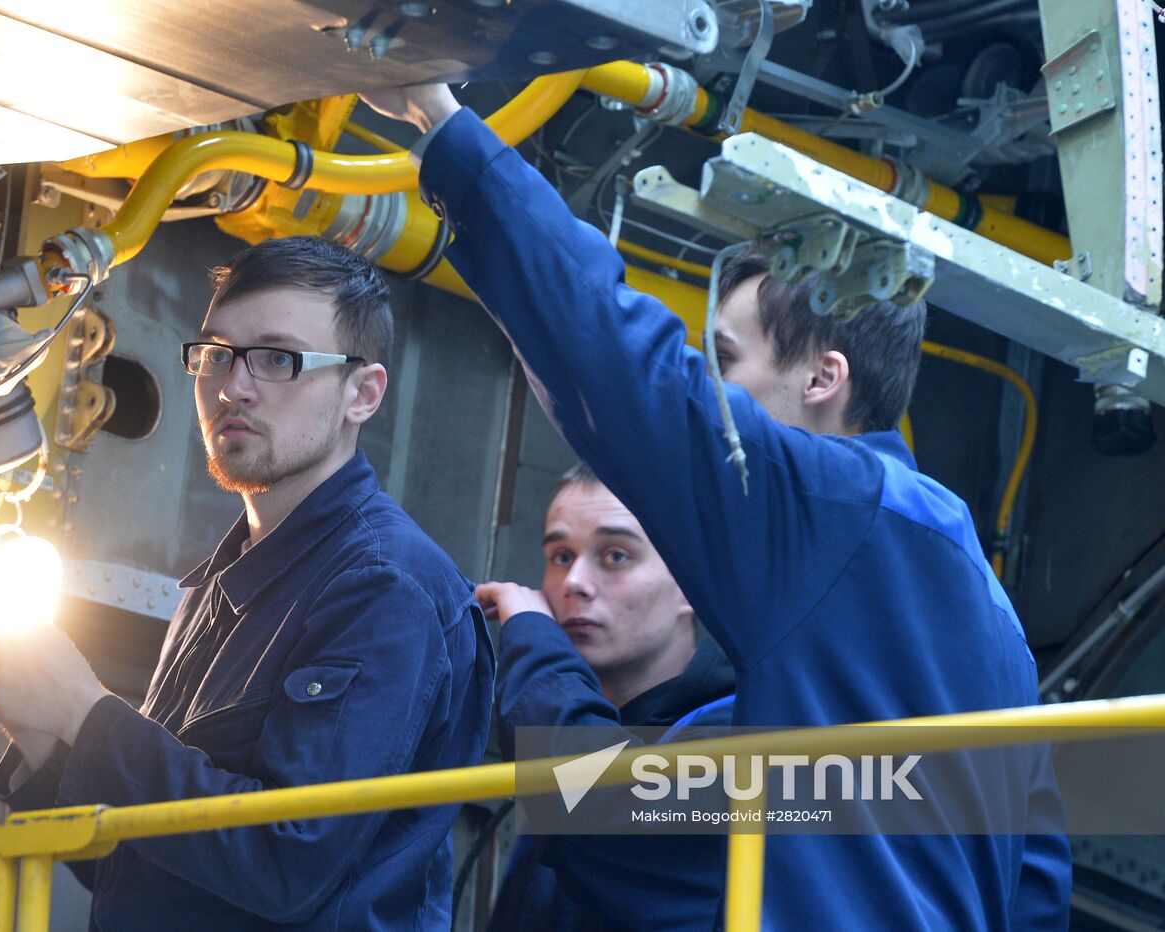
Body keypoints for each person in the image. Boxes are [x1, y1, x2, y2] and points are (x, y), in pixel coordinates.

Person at [362, 86, 1070, 929]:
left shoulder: (826, 509)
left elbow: (615, 360)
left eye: (726, 359)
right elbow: (1036, 882)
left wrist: (441, 126)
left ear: (822, 380)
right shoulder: (990, 611)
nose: (714, 392)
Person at [0, 236, 495, 930]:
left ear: (363, 393)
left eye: (277, 359)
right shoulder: (217, 587)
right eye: (216, 354)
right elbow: (138, 867)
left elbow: (285, 867)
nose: (232, 386)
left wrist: (84, 711)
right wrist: (42, 733)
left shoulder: (384, 590)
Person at [477, 462, 735, 930]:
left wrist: (533, 636)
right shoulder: (572, 733)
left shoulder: (741, 731)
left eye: (616, 556)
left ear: (693, 583)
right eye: (560, 555)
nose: (574, 582)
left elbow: (604, 814)